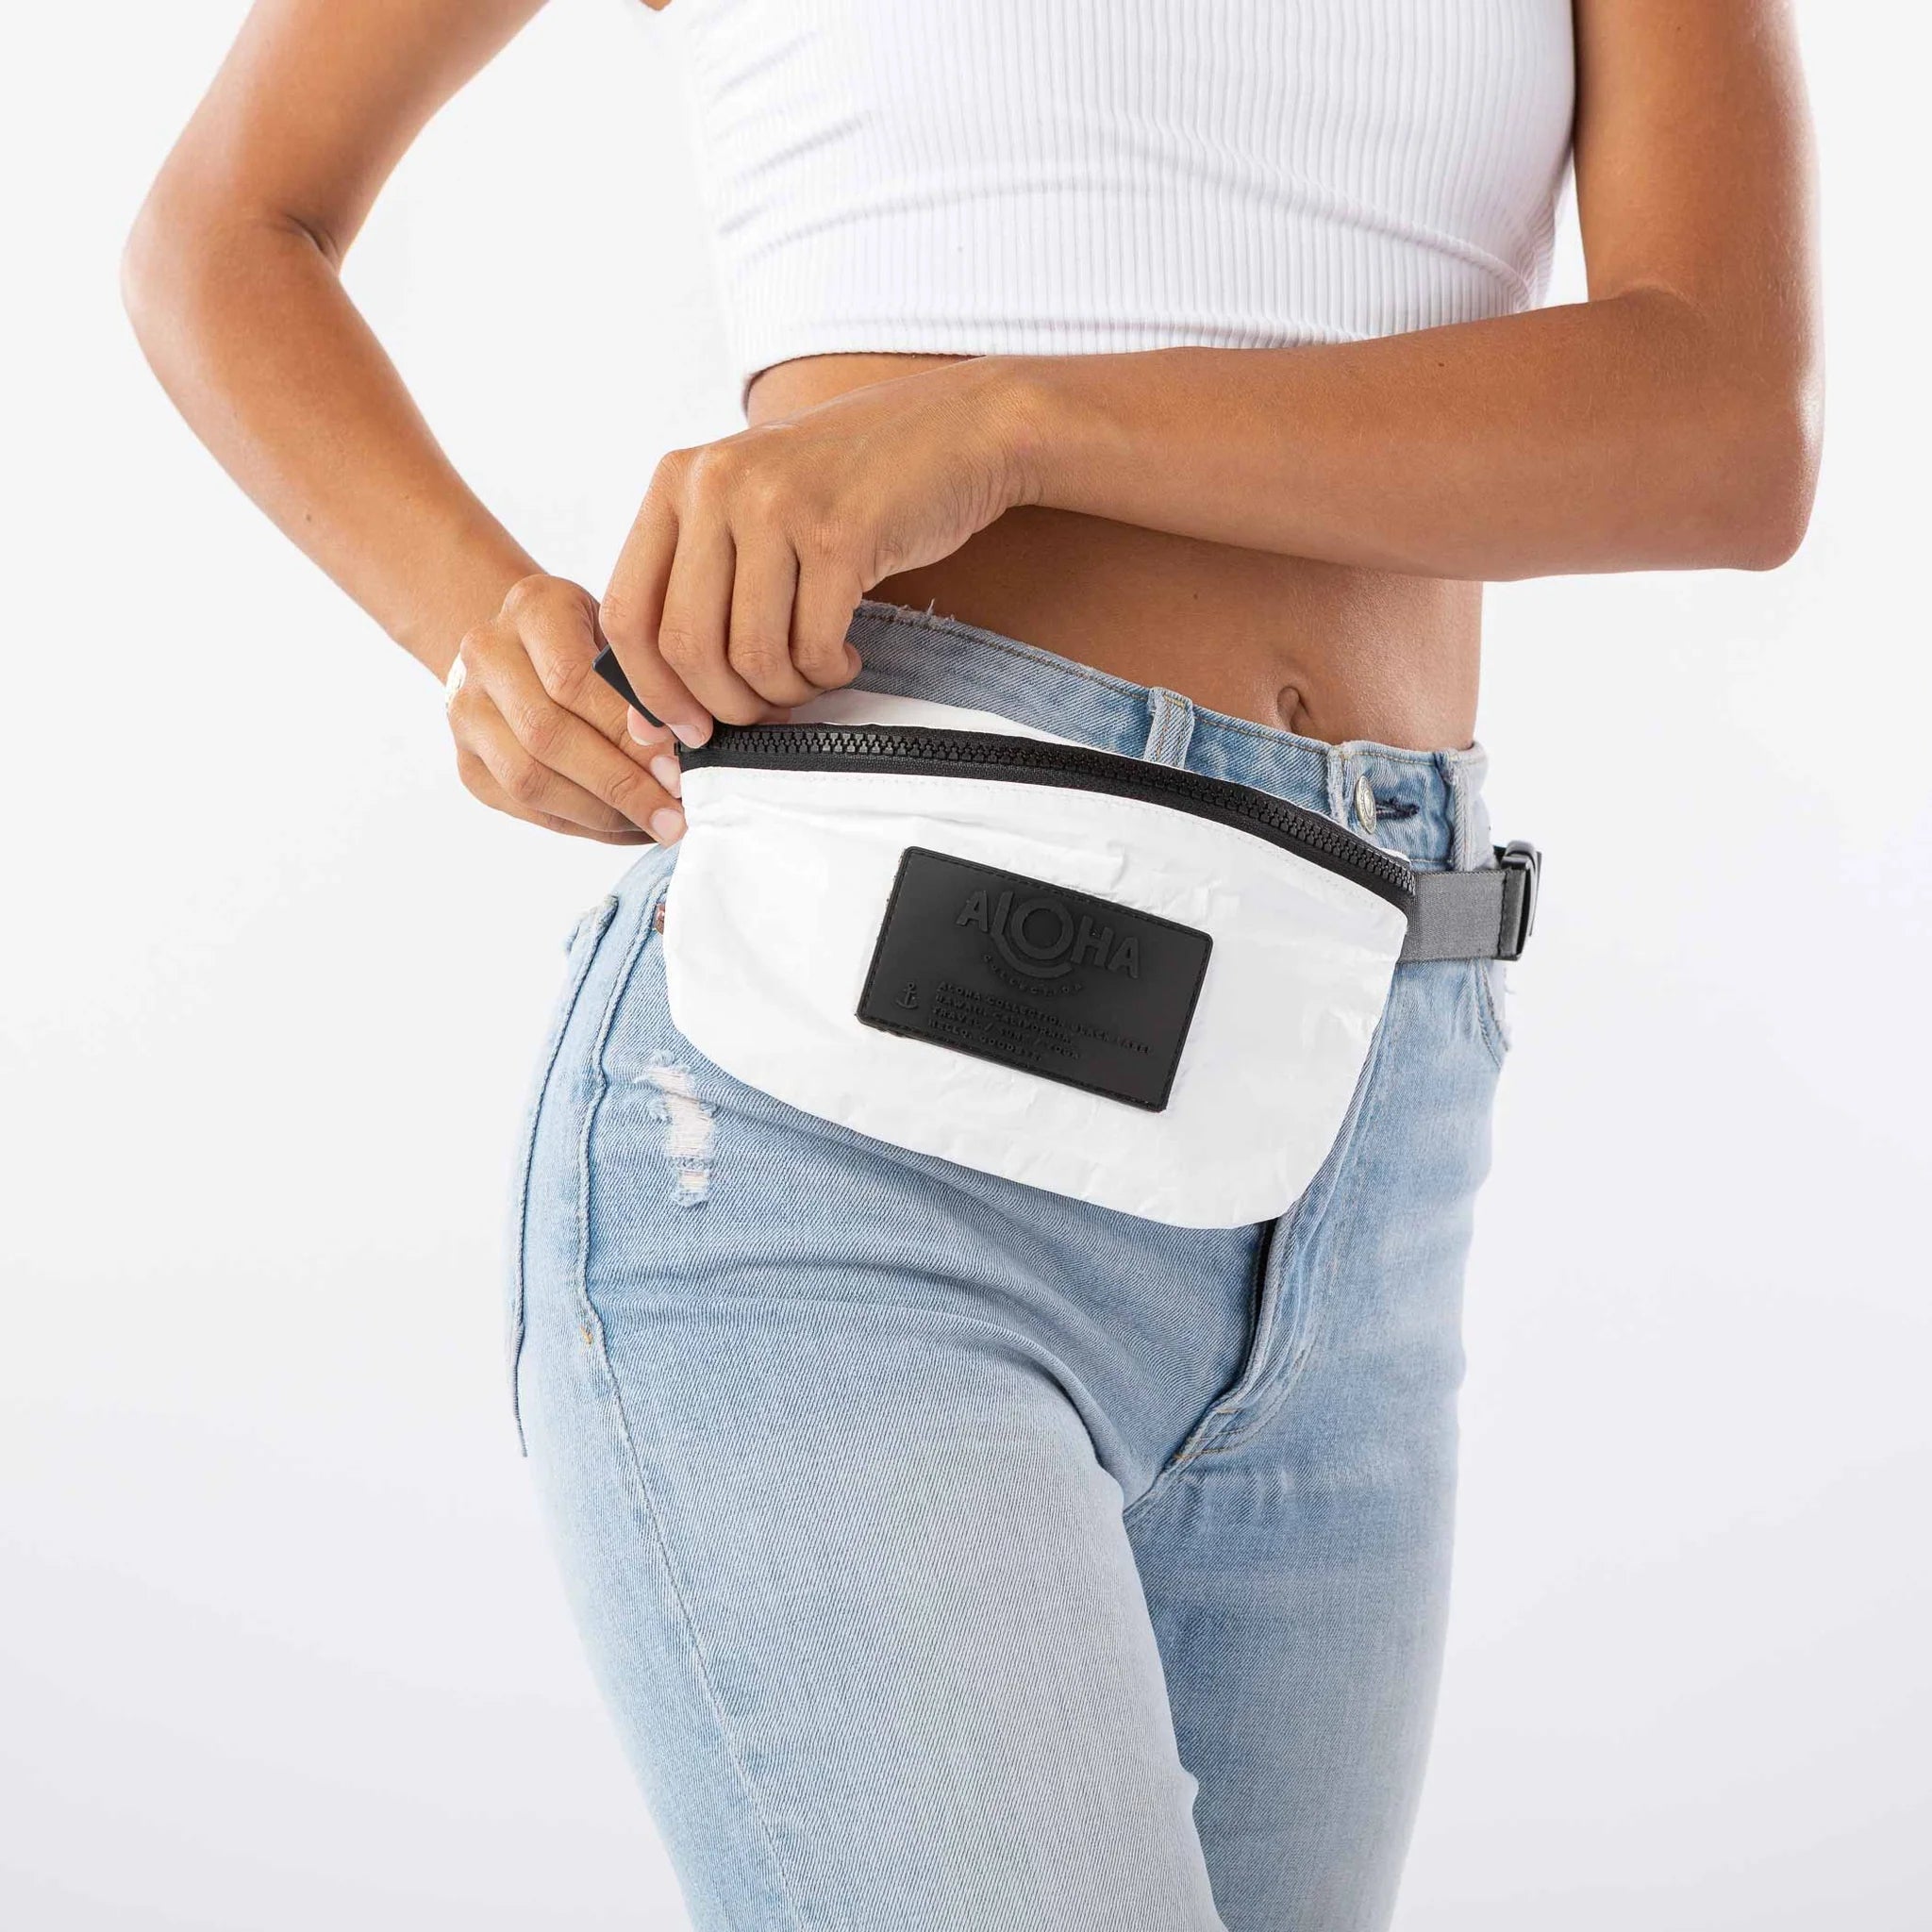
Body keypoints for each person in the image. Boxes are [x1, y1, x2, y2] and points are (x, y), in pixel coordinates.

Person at [123, 2, 1820, 1925]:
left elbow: (1726, 424)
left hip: (1367, 1110)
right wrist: (480, 626)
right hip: (843, 1127)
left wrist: (1006, 426)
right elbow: (224, 227)